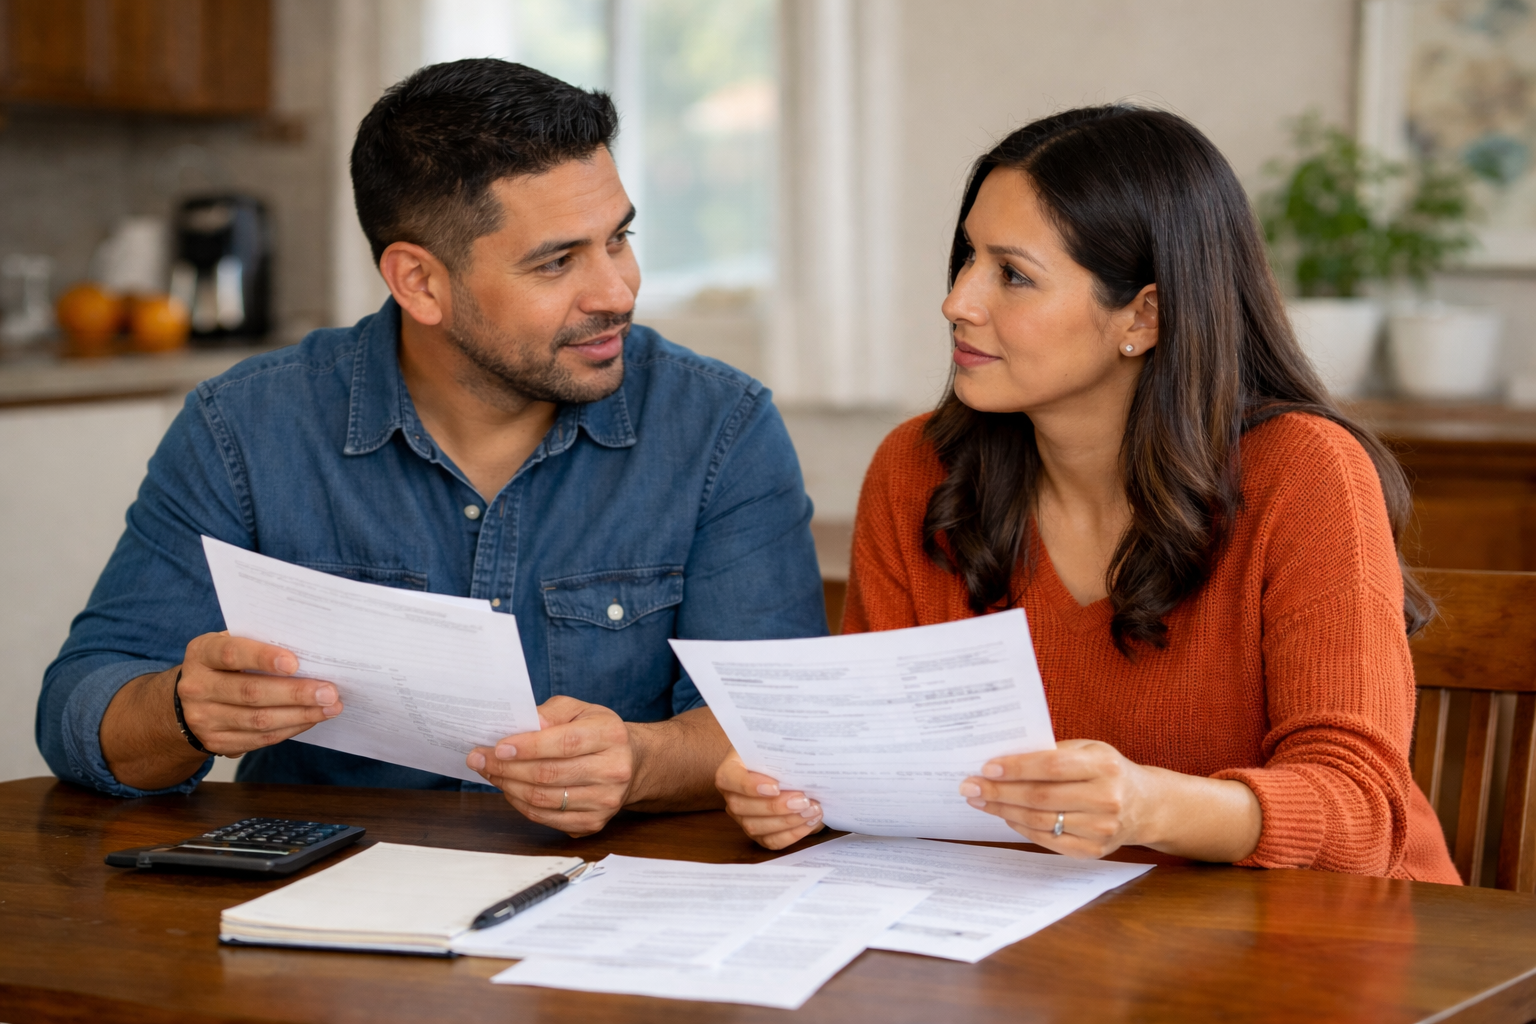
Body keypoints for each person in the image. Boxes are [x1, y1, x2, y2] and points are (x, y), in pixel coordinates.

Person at [36, 59, 826, 837]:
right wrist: (183, 709)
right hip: (320, 907)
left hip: (604, 904)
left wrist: (638, 760)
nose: (617, 291)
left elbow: (772, 728)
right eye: (558, 261)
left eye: (617, 239)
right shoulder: (244, 428)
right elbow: (80, 707)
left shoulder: (721, 427)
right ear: (418, 283)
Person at [716, 105, 1460, 883]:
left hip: (1332, 948)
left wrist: (1145, 807)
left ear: (1143, 315)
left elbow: (1362, 812)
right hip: (1049, 952)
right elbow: (880, 766)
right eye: (967, 259)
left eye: (1012, 274)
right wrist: (796, 789)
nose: (958, 301)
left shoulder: (1304, 472)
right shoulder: (917, 470)